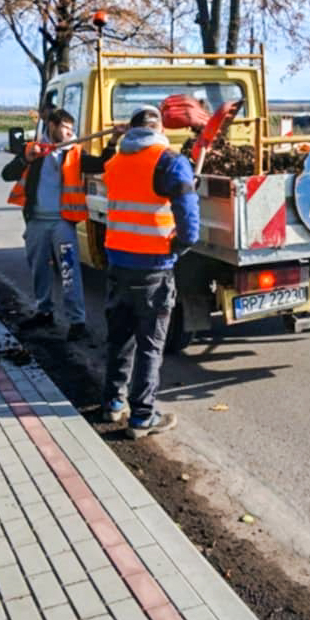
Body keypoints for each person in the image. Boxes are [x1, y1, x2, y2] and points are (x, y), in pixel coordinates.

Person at [101, 104, 200, 439]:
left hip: (118, 263)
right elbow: (189, 222)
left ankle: (113, 403)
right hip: (154, 268)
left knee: (120, 339)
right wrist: (180, 245)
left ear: (130, 130)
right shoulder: (170, 162)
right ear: (159, 130)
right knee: (150, 345)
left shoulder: (115, 163)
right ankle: (142, 417)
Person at [3, 108, 124, 341]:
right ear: (52, 126)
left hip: (62, 224)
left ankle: (77, 321)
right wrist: (25, 159)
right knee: (40, 269)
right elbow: (7, 174)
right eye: (65, 128)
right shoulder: (32, 151)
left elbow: (102, 164)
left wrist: (114, 140)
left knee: (69, 271)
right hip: (37, 222)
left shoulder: (76, 153)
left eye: (71, 129)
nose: (70, 133)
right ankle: (43, 310)